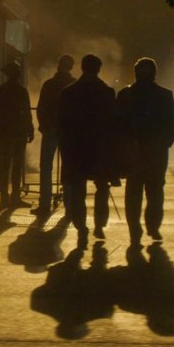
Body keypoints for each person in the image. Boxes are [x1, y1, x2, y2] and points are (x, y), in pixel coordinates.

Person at [116, 57, 174, 247]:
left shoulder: (125, 94)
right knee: (155, 190)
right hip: (156, 152)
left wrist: (121, 148)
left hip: (133, 151)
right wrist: (165, 143)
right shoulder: (165, 95)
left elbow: (117, 124)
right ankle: (153, 225)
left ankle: (134, 230)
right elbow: (172, 124)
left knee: (133, 192)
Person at [58, 54, 117, 246]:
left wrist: (65, 148)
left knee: (77, 188)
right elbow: (113, 125)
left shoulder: (68, 93)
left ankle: (80, 225)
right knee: (102, 186)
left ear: (82, 68)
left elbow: (62, 124)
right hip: (100, 148)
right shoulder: (107, 92)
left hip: (76, 148)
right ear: (98, 69)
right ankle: (99, 223)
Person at [33, 54, 76, 217]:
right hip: (68, 132)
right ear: (71, 67)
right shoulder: (74, 84)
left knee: (46, 167)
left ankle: (45, 204)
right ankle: (69, 206)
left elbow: (41, 108)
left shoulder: (49, 84)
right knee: (68, 168)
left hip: (51, 130)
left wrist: (44, 126)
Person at [0, 61, 34, 208]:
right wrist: (30, 129)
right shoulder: (22, 91)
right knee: (17, 165)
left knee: (5, 165)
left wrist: (0, 131)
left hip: (6, 134)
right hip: (19, 133)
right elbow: (27, 112)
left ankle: (4, 197)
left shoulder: (1, 90)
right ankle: (15, 197)